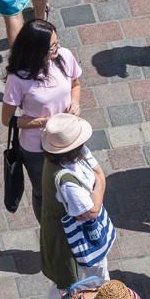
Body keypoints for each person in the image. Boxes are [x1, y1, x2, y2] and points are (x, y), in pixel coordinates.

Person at [1, 19, 82, 214]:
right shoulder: (18, 78)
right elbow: (8, 120)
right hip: (37, 148)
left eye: (56, 41)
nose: (59, 47)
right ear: (35, 50)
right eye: (52, 46)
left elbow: (76, 85)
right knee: (43, 192)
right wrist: (45, 122)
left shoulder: (64, 56)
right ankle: (48, 231)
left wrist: (75, 103)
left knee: (77, 182)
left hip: (69, 137)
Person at [45, 114, 116, 283]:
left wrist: (97, 186)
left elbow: (100, 175)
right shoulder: (66, 181)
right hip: (72, 241)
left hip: (79, 231)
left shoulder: (81, 152)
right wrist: (98, 184)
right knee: (78, 282)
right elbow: (92, 212)